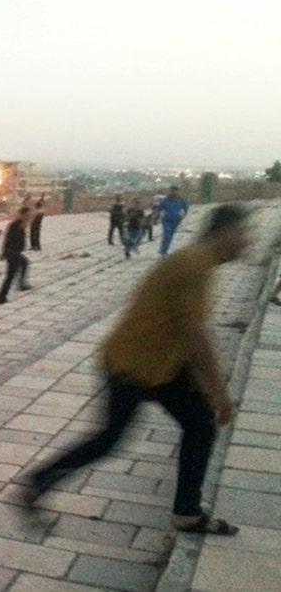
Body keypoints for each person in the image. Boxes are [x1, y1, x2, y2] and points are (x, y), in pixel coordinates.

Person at [21, 204, 250, 536]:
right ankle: (37, 483)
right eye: (244, 233)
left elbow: (185, 332)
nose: (248, 241)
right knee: (110, 440)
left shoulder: (198, 263)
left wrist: (201, 384)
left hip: (157, 365)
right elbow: (196, 336)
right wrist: (220, 395)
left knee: (198, 425)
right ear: (225, 232)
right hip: (133, 366)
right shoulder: (194, 265)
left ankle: (187, 512)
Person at [0, 207, 32, 304]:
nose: (28, 217)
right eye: (27, 215)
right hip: (12, 253)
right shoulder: (16, 225)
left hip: (14, 252)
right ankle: (1, 297)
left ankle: (21, 284)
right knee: (10, 276)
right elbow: (8, 239)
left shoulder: (18, 224)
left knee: (24, 263)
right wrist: (4, 252)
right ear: (22, 215)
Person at [158, 185, 190, 256]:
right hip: (166, 220)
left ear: (177, 192)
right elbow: (159, 208)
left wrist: (183, 216)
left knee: (170, 236)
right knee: (167, 234)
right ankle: (163, 252)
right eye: (172, 191)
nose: (173, 192)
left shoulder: (181, 200)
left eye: (175, 191)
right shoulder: (165, 200)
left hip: (176, 221)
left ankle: (164, 249)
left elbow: (186, 209)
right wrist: (155, 216)